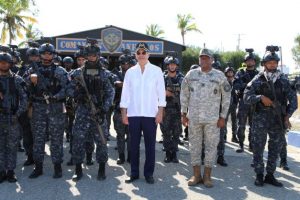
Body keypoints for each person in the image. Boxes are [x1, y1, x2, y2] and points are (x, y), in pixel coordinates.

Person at [244, 45, 297, 187]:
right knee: (258, 147)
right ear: (264, 64)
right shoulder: (258, 79)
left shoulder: (283, 80)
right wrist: (260, 97)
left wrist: (287, 116)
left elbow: (293, 101)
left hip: (277, 120)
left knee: (275, 148)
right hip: (260, 119)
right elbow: (246, 97)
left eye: (274, 63)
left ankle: (270, 175)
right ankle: (259, 175)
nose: (272, 65)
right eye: (269, 63)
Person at [180, 48, 231, 188]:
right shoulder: (191, 74)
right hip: (194, 118)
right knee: (194, 146)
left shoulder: (219, 76)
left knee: (211, 147)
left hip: (212, 120)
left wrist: (223, 117)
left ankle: (207, 176)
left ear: (212, 60)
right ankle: (196, 175)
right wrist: (183, 113)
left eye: (206, 58)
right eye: (201, 58)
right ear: (199, 60)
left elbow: (226, 97)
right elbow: (184, 94)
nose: (203, 60)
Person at [67, 38, 114, 181]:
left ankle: (101, 168)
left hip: (98, 112)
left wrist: (104, 109)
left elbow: (110, 93)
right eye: (89, 55)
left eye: (94, 55)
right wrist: (76, 93)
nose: (91, 58)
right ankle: (78, 169)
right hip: (82, 112)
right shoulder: (77, 73)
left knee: (101, 141)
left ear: (98, 56)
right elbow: (68, 89)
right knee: (78, 140)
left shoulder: (105, 74)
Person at [120, 42, 166, 184]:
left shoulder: (156, 70)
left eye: (143, 52)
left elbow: (161, 93)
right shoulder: (130, 72)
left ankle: (148, 174)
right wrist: (124, 113)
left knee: (150, 146)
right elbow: (125, 93)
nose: (141, 55)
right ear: (135, 55)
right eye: (138, 53)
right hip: (133, 114)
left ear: (148, 54)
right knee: (133, 146)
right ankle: (134, 173)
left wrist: (160, 112)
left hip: (150, 114)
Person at [25, 43, 69, 179]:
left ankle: (57, 166)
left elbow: (67, 88)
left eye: (49, 53)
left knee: (56, 139)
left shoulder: (60, 71)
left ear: (53, 55)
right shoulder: (31, 70)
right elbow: (24, 88)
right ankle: (38, 167)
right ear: (40, 54)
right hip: (38, 108)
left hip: (55, 108)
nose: (47, 56)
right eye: (44, 53)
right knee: (38, 139)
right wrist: (31, 81)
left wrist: (56, 96)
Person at [0, 52, 28, 183]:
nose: (3, 65)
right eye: (0, 62)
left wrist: (17, 114)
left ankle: (10, 172)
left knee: (11, 146)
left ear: (10, 64)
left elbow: (24, 100)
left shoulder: (18, 80)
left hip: (12, 118)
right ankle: (1, 171)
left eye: (5, 63)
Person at [233, 48, 259, 153]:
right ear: (245, 62)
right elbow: (235, 85)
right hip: (243, 102)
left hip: (255, 102)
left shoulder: (259, 74)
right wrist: (248, 85)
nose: (250, 62)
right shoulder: (240, 73)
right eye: (248, 60)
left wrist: (248, 86)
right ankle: (241, 145)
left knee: (254, 126)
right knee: (241, 125)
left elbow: (262, 87)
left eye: (252, 60)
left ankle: (251, 145)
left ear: (255, 62)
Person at [160, 54, 184, 163]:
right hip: (165, 109)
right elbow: (155, 92)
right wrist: (164, 93)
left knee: (176, 132)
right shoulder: (162, 78)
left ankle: (174, 154)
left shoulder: (182, 78)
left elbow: (186, 93)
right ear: (167, 65)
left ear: (177, 66)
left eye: (174, 64)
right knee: (166, 132)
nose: (172, 66)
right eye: (170, 64)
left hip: (177, 109)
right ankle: (167, 153)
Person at [112, 53, 132, 164]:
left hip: (132, 110)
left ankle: (130, 155)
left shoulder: (135, 73)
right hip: (119, 109)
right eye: (123, 63)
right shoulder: (115, 73)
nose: (125, 65)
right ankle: (121, 156)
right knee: (120, 135)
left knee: (131, 135)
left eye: (127, 63)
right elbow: (117, 84)